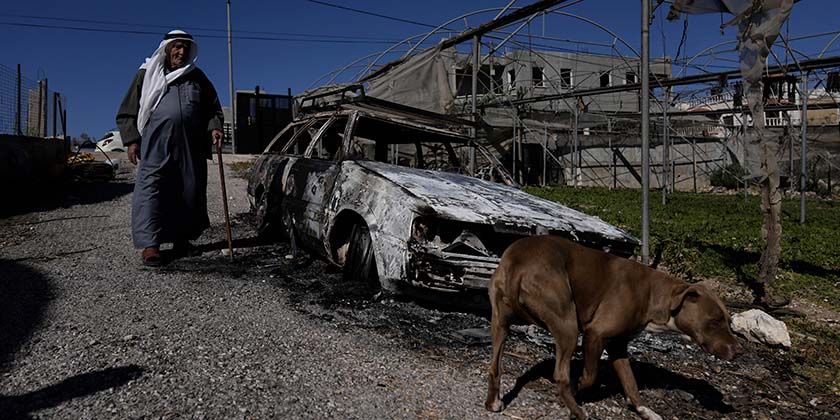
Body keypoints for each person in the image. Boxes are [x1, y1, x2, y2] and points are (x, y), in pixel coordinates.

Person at [116, 30, 224, 266]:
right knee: (151, 189)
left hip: (191, 143)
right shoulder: (148, 73)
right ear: (166, 48)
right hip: (156, 141)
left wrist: (214, 127)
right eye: (176, 46)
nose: (181, 51)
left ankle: (181, 240)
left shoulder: (197, 77)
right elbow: (127, 110)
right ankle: (150, 246)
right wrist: (132, 140)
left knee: (189, 189)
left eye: (185, 47)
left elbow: (213, 108)